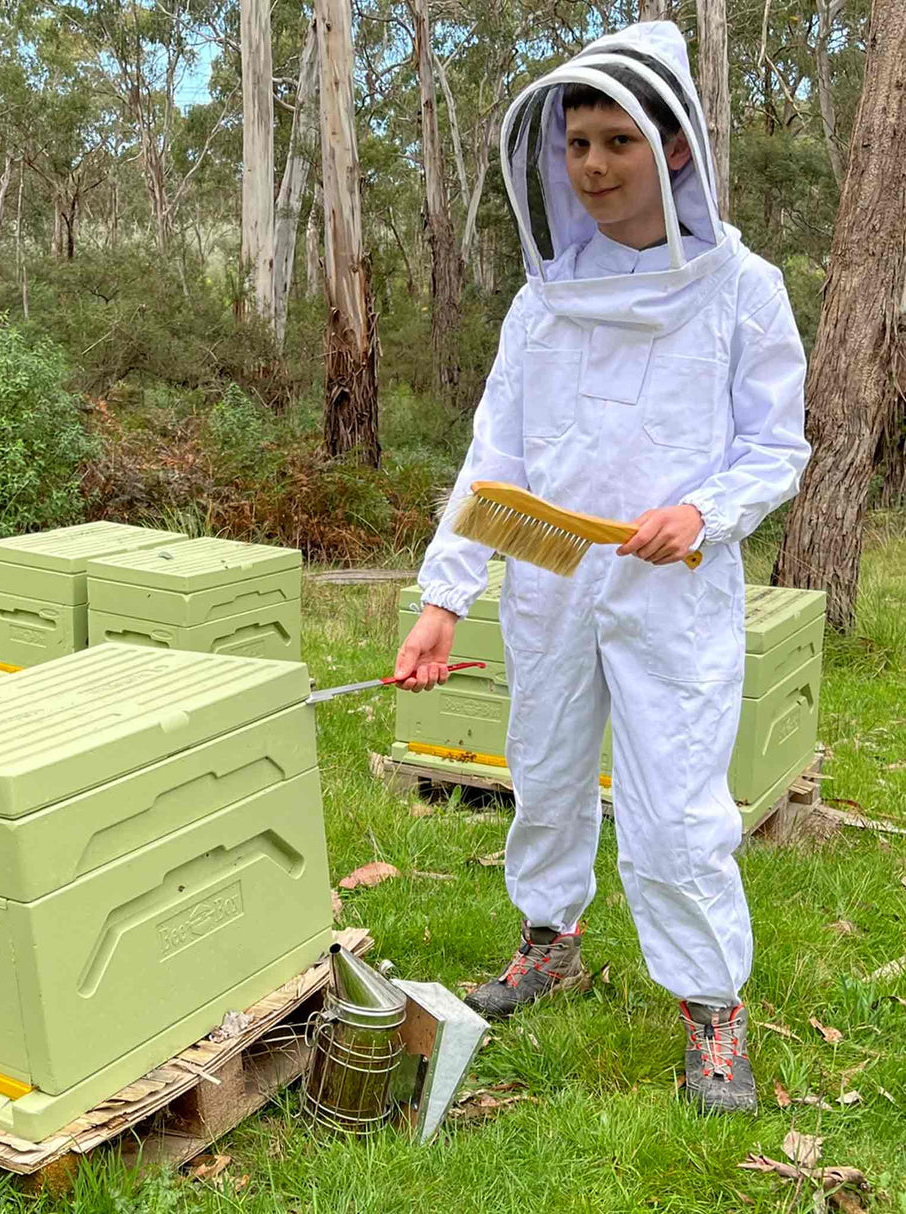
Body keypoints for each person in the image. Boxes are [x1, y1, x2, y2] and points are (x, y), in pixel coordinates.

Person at [394, 21, 810, 1114]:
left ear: (674, 150)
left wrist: (700, 510)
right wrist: (444, 594)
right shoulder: (541, 302)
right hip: (547, 580)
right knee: (541, 769)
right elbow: (496, 457)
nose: (591, 165)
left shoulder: (740, 288)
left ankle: (710, 1009)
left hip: (670, 588)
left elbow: (774, 446)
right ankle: (548, 939)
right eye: (576, 141)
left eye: (617, 140)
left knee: (675, 808)